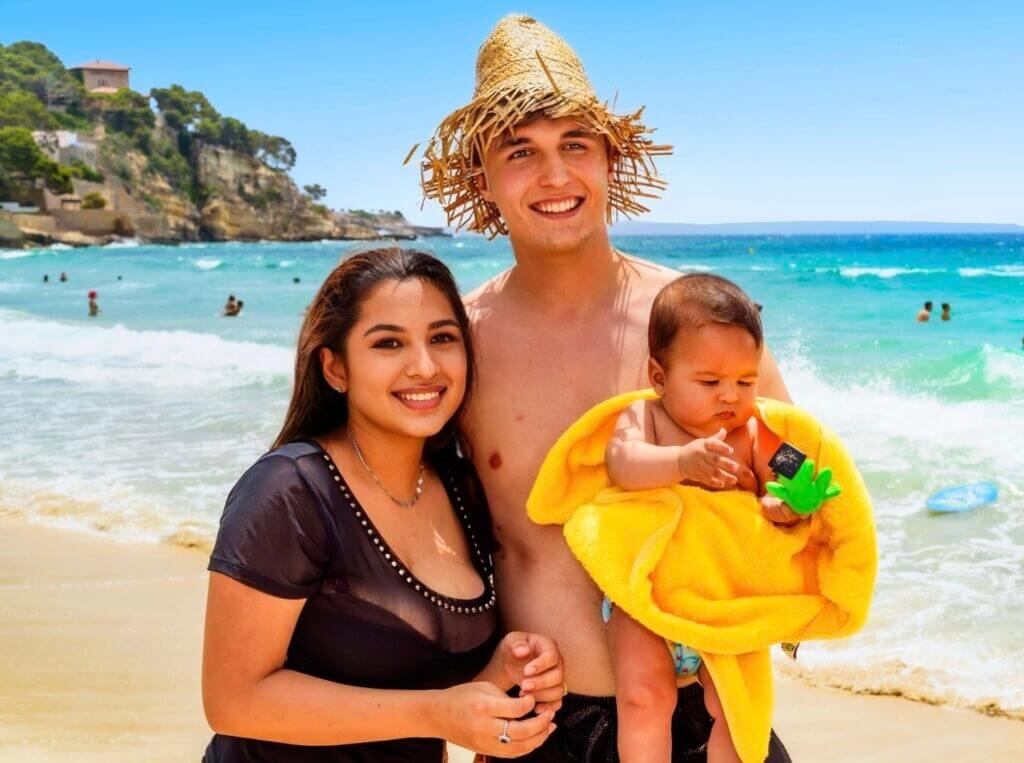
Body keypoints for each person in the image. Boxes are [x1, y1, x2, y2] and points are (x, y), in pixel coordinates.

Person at [413, 14, 792, 761]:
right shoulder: (459, 346)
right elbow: (397, 516)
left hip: (707, 717)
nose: (555, 177)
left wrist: (791, 515)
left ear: (609, 160)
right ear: (482, 180)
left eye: (574, 147)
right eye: (521, 153)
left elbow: (790, 460)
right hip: (543, 729)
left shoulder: (698, 327)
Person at [202, 247, 565, 761]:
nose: (424, 366)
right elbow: (233, 701)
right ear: (335, 368)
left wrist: (505, 671)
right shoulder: (289, 492)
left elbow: (434, 689)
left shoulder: (461, 487)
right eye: (388, 343)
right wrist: (435, 713)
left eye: (442, 338)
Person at [603, 274, 800, 761]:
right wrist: (680, 463)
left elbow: (798, 471)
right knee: (643, 697)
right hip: (645, 596)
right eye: (710, 382)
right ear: (659, 377)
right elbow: (619, 463)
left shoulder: (754, 433)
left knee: (734, 706)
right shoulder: (644, 417)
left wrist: (787, 506)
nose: (730, 395)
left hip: (723, 600)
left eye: (745, 381)